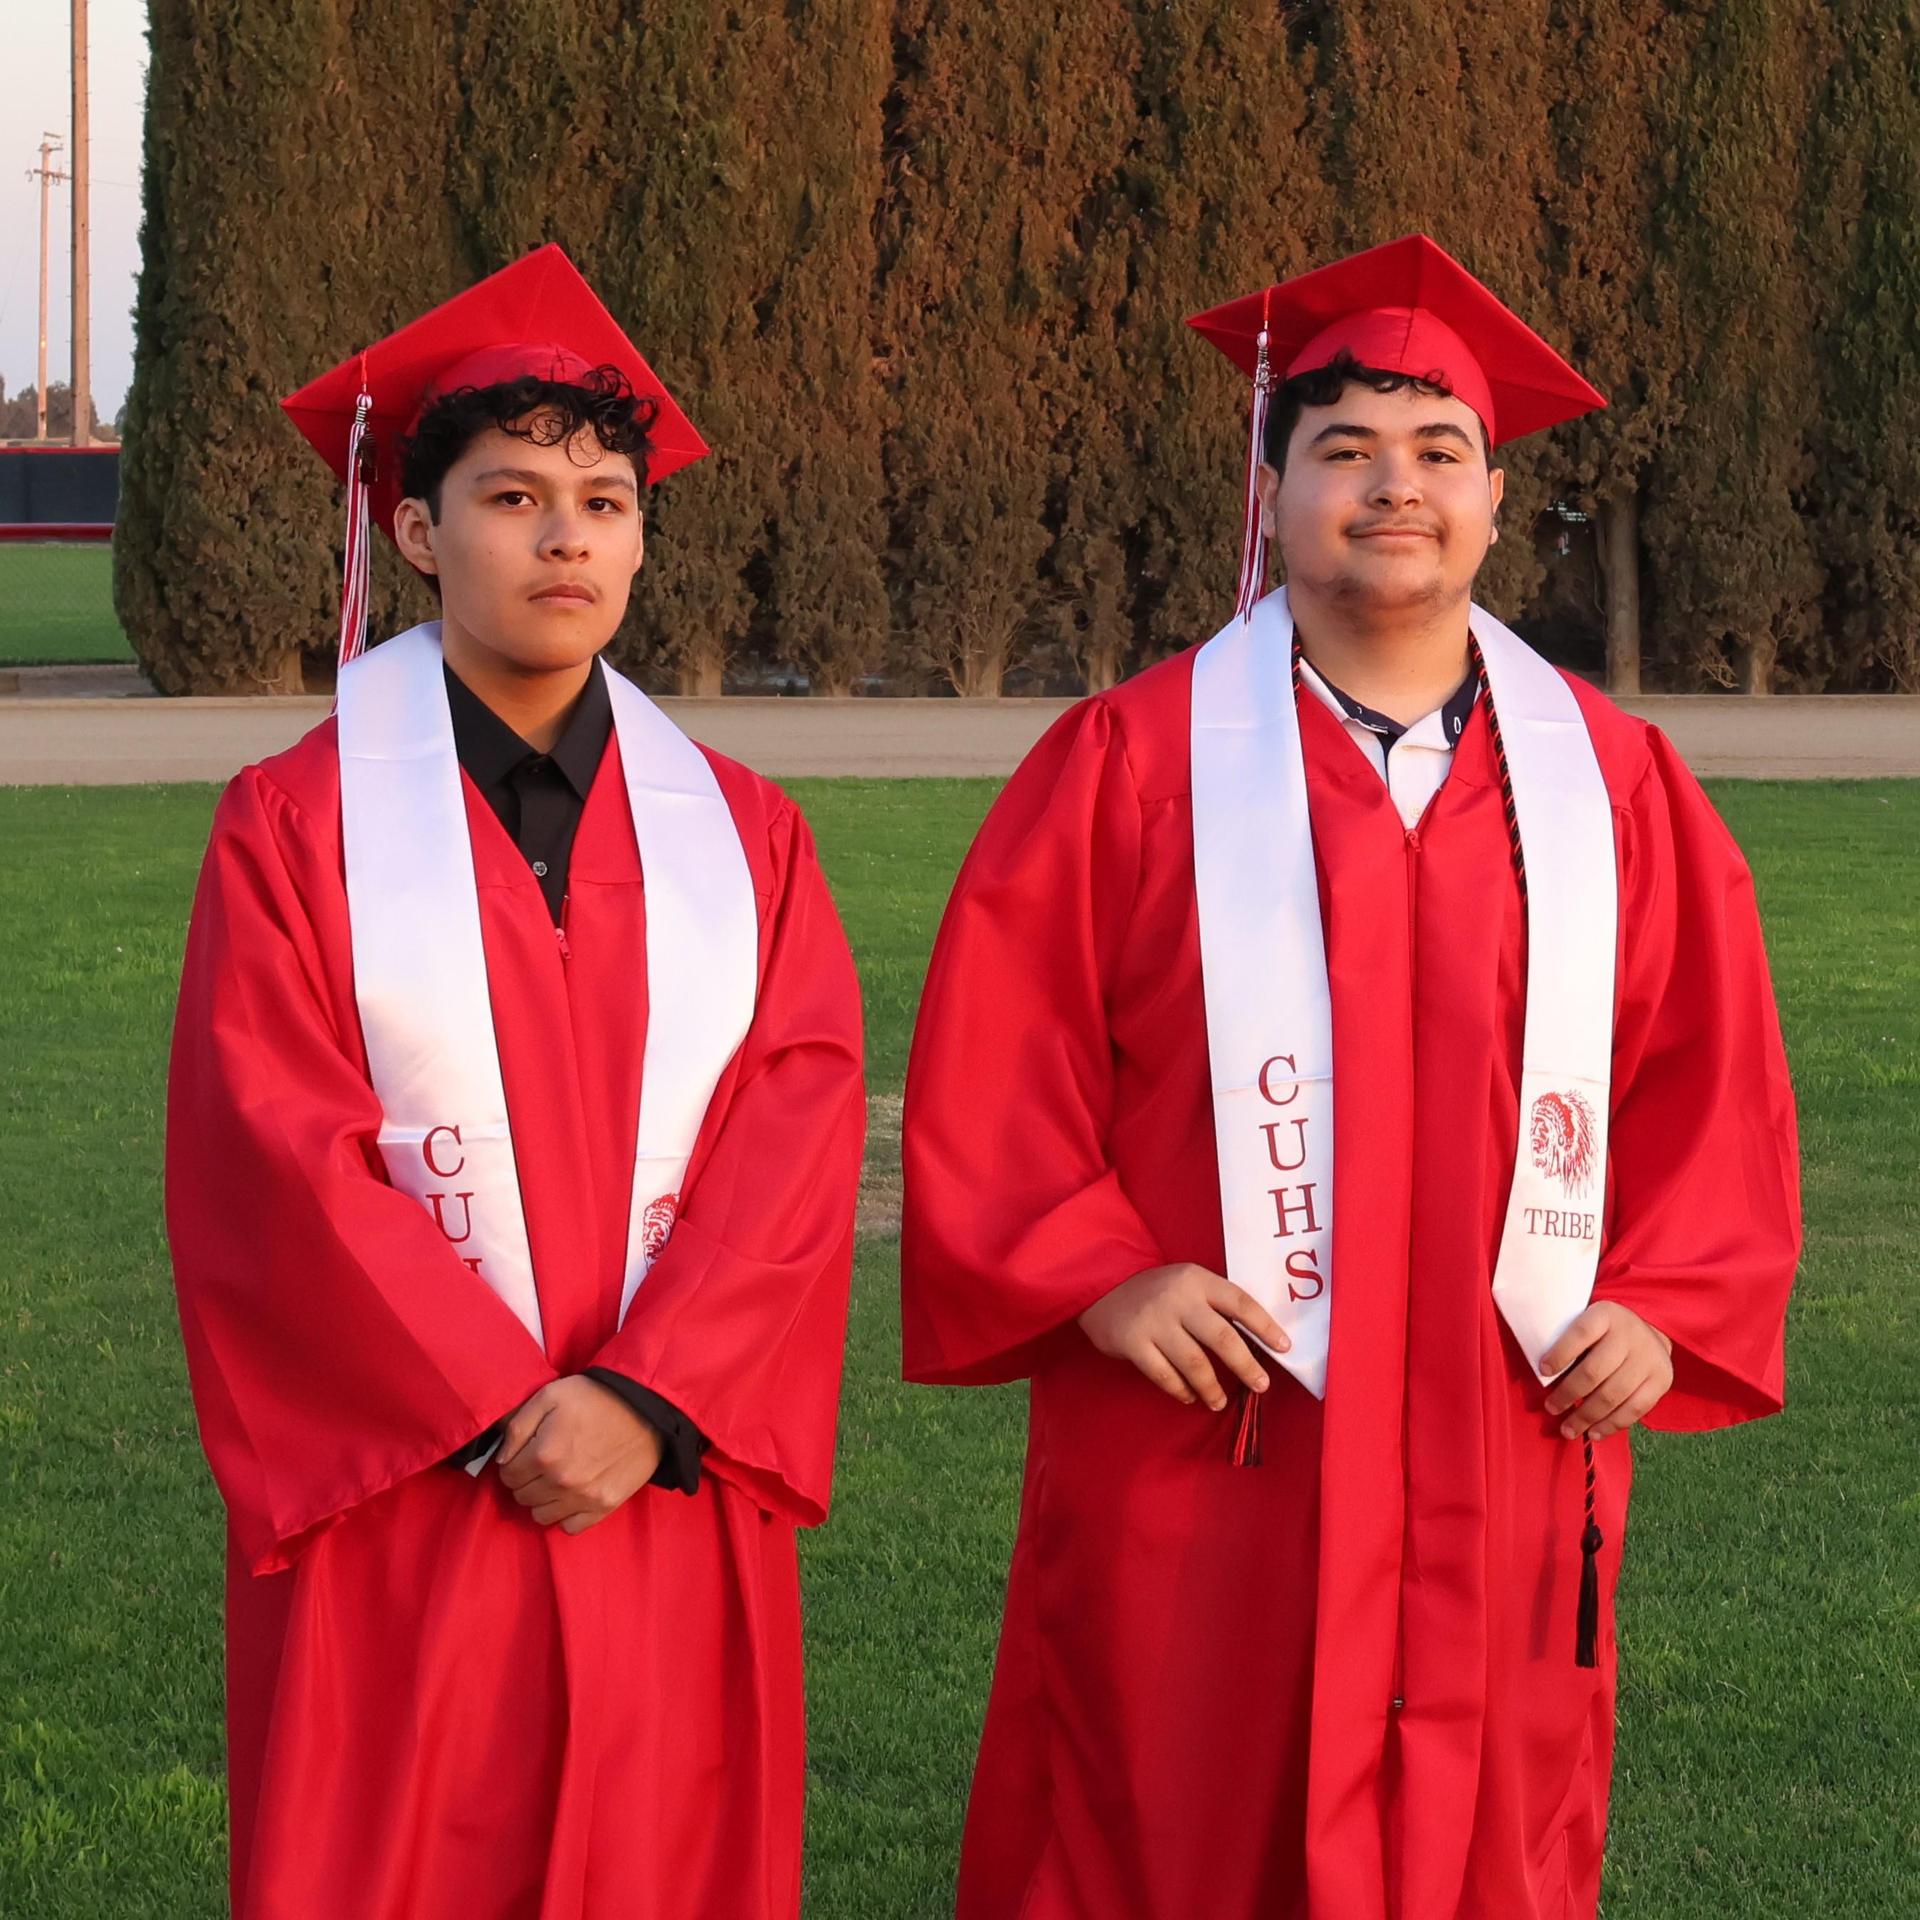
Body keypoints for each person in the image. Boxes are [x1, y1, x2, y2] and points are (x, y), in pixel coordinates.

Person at [899, 234, 1800, 1920]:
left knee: (1489, 1836)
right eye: (1346, 453)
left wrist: (1668, 1299)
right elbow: (994, 1072)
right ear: (1273, 493)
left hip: (1505, 1423)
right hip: (1208, 1431)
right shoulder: (1129, 763)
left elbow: (1709, 1075)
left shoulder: (1615, 789)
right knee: (1156, 1810)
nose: (1397, 488)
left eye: (1439, 452)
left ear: (1495, 495)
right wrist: (1097, 1277)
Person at [165, 244, 865, 1919]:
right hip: (411, 1491)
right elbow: (273, 1152)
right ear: (415, 533)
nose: (569, 536)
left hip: (664, 1484)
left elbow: (799, 1132)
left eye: (608, 498)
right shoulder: (293, 823)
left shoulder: (743, 836)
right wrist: (499, 1409)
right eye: (514, 495)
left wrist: (648, 1400)